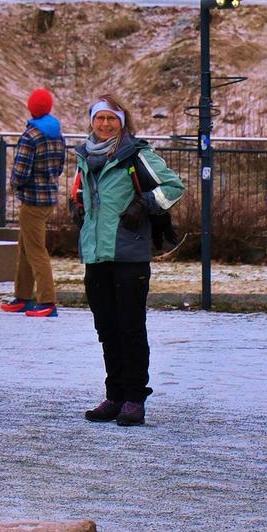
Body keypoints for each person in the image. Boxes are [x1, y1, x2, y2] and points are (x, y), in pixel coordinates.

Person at [70, 96, 184, 427]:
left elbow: (173, 186)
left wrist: (145, 203)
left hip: (129, 255)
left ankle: (134, 398)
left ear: (122, 121)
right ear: (92, 121)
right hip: (96, 254)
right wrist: (76, 206)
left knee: (130, 328)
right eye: (100, 118)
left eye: (112, 119)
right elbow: (84, 194)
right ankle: (115, 396)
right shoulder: (85, 156)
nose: (105, 124)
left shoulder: (135, 153)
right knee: (107, 328)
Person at [1, 87, 66, 317]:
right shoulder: (57, 134)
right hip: (48, 197)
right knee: (25, 249)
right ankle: (23, 296)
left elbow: (20, 171)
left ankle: (47, 301)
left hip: (32, 201)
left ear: (31, 108)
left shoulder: (30, 136)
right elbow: (60, 167)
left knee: (36, 251)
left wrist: (15, 186)